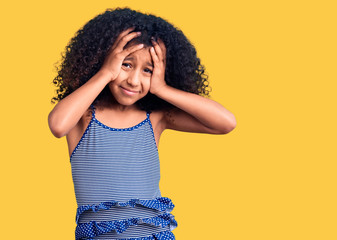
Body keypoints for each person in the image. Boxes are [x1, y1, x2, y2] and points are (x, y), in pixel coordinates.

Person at [48, 7, 236, 240]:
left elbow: (226, 123)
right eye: (126, 64)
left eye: (148, 70)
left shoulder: (155, 118)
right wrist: (106, 72)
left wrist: (162, 89)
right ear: (104, 60)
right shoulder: (84, 116)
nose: (134, 80)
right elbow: (57, 125)